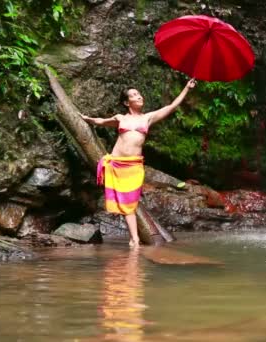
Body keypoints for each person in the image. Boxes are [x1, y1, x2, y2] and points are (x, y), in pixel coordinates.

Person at [81, 79, 196, 248]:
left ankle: (134, 239)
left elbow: (171, 106)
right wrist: (86, 118)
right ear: (127, 102)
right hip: (116, 164)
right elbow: (100, 122)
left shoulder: (148, 118)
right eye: (134, 95)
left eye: (138, 93)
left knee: (130, 203)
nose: (139, 96)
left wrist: (187, 87)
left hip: (134, 167)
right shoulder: (120, 118)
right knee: (125, 205)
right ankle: (134, 239)